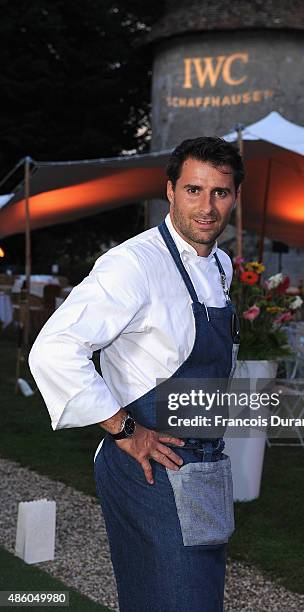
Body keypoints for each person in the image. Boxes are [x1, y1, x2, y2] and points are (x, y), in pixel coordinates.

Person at [28, 136, 244, 612]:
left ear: (234, 196)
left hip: (207, 470)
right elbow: (54, 349)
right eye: (193, 190)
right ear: (169, 191)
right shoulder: (133, 264)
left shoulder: (223, 266)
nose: (207, 207)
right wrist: (124, 429)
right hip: (152, 470)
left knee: (201, 599)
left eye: (220, 192)